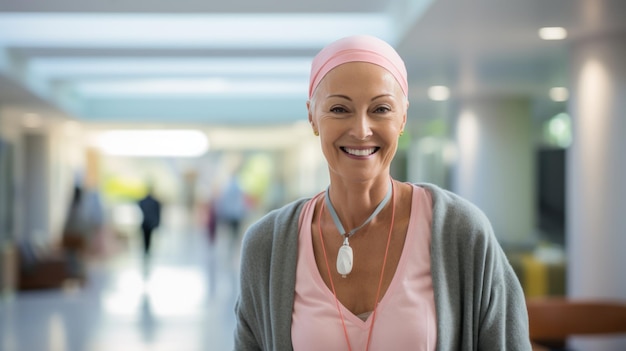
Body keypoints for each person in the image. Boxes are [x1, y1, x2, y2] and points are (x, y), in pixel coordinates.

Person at [233, 35, 532, 350]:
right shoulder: (267, 246)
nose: (361, 130)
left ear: (402, 117)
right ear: (311, 116)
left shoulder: (460, 232)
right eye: (339, 108)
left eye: (380, 109)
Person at [138, 186, 162, 260]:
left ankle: (147, 250)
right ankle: (147, 250)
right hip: (149, 222)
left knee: (146, 237)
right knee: (148, 237)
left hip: (145, 222)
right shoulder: (154, 201)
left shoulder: (143, 201)